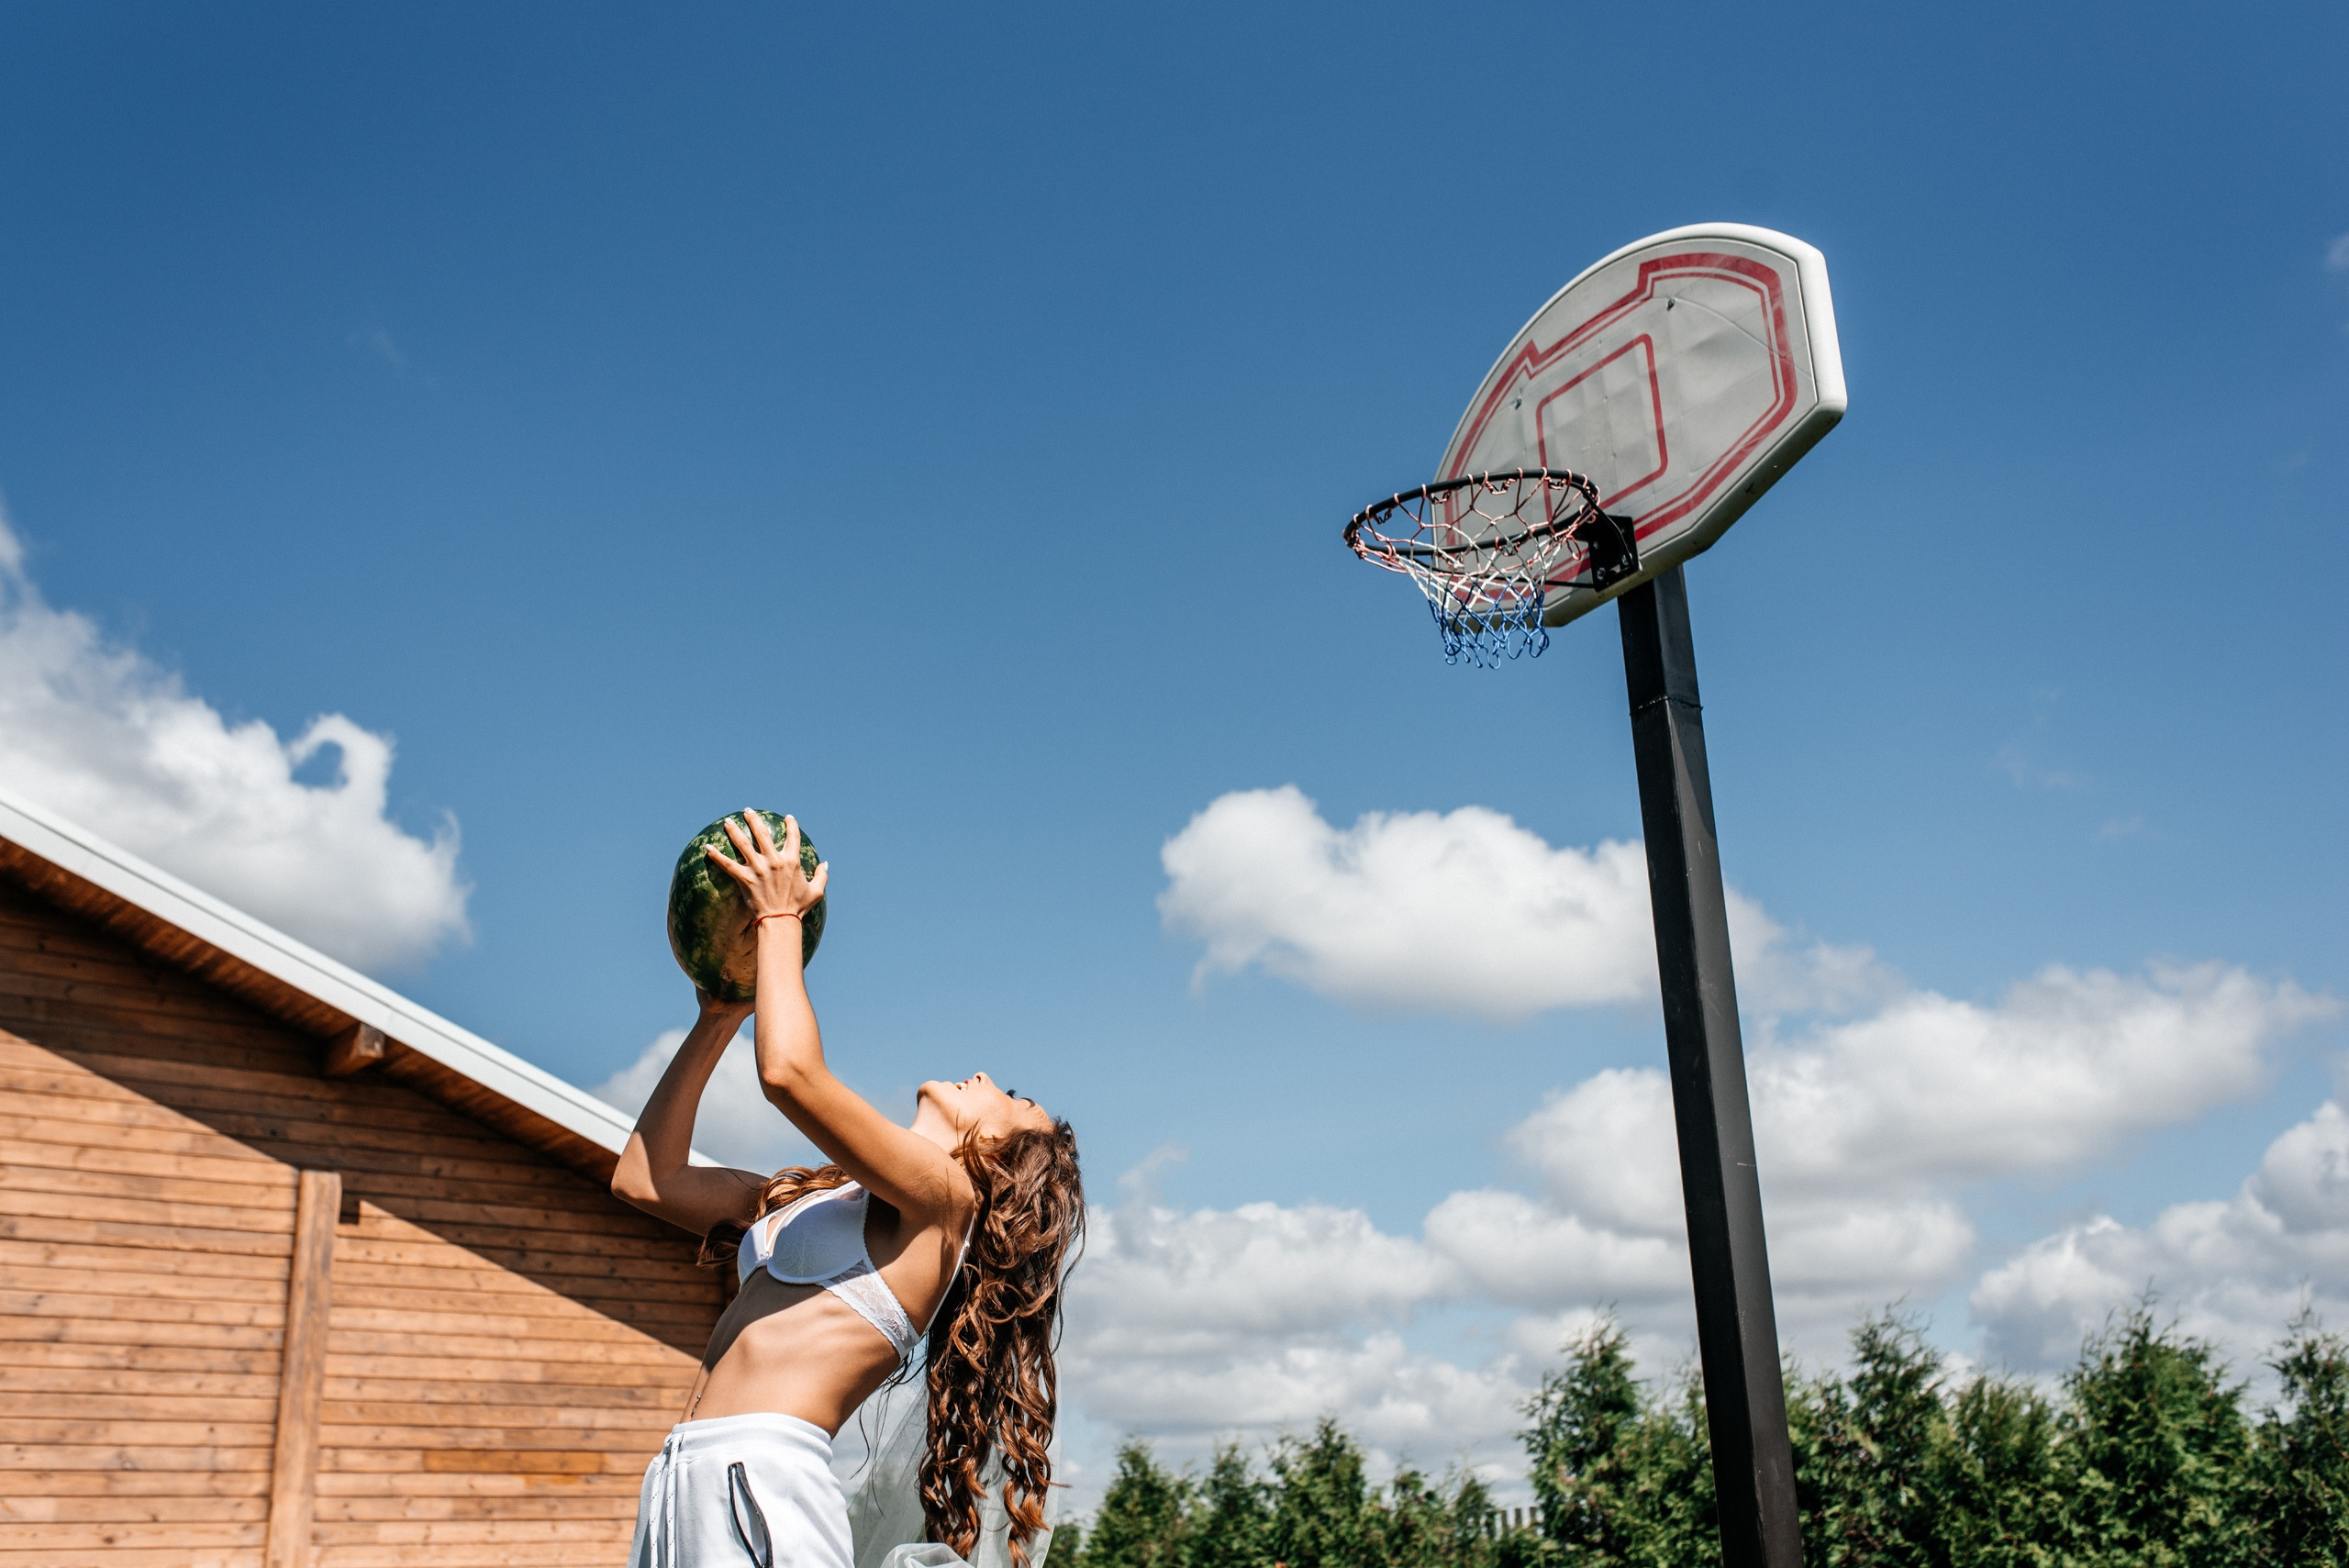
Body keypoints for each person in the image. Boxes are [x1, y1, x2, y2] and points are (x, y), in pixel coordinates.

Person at [612, 812, 1084, 1568]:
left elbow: (790, 1074)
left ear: (1001, 1160)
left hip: (758, 1481)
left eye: (1012, 1096)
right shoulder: (819, 1197)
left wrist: (777, 917)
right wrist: (718, 1015)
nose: (987, 1077)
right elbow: (646, 1176)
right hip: (681, 1476)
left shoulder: (944, 1207)